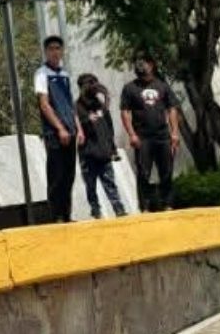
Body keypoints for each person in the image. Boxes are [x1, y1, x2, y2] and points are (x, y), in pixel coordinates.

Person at [120, 51, 181, 212]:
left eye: (144, 62)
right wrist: (132, 134)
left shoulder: (162, 86)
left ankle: (168, 204)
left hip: (163, 136)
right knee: (143, 173)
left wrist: (174, 133)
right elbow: (125, 111)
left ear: (151, 65)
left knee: (167, 171)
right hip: (142, 138)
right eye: (137, 62)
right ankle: (145, 208)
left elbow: (172, 108)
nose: (140, 65)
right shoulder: (129, 88)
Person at [34, 35, 84, 223]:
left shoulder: (64, 75)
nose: (55, 52)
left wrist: (78, 129)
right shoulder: (41, 74)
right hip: (54, 133)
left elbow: (70, 105)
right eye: (52, 48)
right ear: (46, 52)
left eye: (58, 48)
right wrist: (60, 128)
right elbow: (44, 105)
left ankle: (66, 214)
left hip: (70, 131)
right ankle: (55, 217)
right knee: (56, 174)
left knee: (69, 175)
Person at [76, 73, 126, 219]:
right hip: (88, 153)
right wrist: (86, 120)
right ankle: (95, 210)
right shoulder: (77, 108)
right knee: (90, 185)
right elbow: (76, 128)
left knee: (110, 182)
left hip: (104, 151)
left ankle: (119, 209)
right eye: (88, 84)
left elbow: (109, 128)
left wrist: (113, 148)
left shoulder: (101, 106)